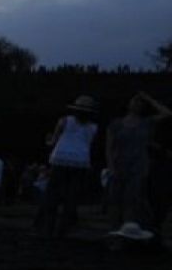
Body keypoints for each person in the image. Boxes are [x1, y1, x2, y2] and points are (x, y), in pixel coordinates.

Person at [36, 95, 99, 239]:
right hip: (81, 162)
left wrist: (48, 141)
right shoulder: (94, 127)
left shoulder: (64, 121)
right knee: (71, 197)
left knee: (52, 194)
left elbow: (53, 141)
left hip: (60, 159)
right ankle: (63, 229)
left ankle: (47, 227)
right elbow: (89, 144)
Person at [106, 93, 161, 231]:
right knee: (115, 201)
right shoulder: (116, 124)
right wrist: (111, 167)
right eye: (134, 101)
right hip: (119, 166)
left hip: (139, 166)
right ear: (128, 104)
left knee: (133, 200)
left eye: (140, 103)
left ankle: (129, 232)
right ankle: (115, 232)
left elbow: (167, 113)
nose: (137, 104)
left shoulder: (146, 122)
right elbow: (109, 147)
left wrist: (149, 99)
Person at [146, 93, 172, 241]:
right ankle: (155, 227)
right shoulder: (153, 123)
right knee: (156, 196)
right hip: (158, 162)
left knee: (162, 197)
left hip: (163, 162)